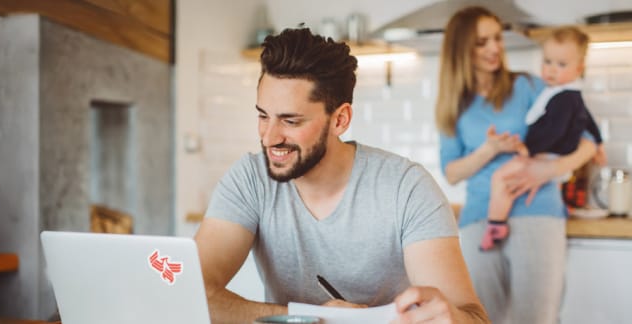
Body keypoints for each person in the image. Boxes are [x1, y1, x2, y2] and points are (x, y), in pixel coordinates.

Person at [194, 28, 488, 323]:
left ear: (340, 119)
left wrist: (452, 318)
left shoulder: (406, 187)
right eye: (262, 116)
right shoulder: (250, 180)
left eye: (290, 121)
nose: (270, 137)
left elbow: (475, 318)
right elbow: (192, 292)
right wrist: (313, 317)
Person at [436, 7, 597, 324]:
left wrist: (550, 170)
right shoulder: (453, 104)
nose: (495, 48)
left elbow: (588, 137)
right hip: (478, 220)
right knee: (481, 318)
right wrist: (490, 149)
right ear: (461, 48)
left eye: (497, 38)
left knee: (535, 318)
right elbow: (451, 172)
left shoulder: (529, 86)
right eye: (482, 42)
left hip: (536, 211)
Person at [480, 26, 607, 251]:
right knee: (512, 182)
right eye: (547, 61)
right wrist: (599, 142)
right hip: (548, 159)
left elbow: (555, 131)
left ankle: (496, 224)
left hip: (546, 156)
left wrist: (527, 149)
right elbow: (588, 121)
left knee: (500, 178)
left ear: (579, 69)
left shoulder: (565, 98)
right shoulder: (561, 93)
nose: (551, 70)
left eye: (561, 64)